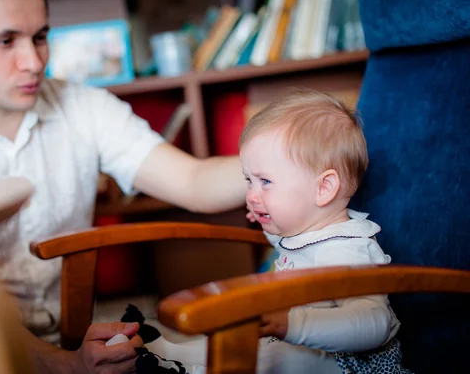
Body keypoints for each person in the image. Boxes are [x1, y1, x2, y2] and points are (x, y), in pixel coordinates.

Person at [0, 0, 247, 373]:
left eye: (40, 37)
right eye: (5, 41)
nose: (33, 61)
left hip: (76, 339)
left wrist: (292, 170)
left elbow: (192, 181)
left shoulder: (83, 106)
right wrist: (67, 366)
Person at [125, 90, 412, 374]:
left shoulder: (348, 249)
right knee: (233, 337)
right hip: (299, 343)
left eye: (265, 182)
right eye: (248, 181)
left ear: (324, 188)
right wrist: (272, 228)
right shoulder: (306, 230)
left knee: (273, 356)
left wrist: (293, 324)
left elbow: (375, 324)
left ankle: (187, 370)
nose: (250, 194)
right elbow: (292, 247)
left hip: (350, 365)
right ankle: (165, 352)